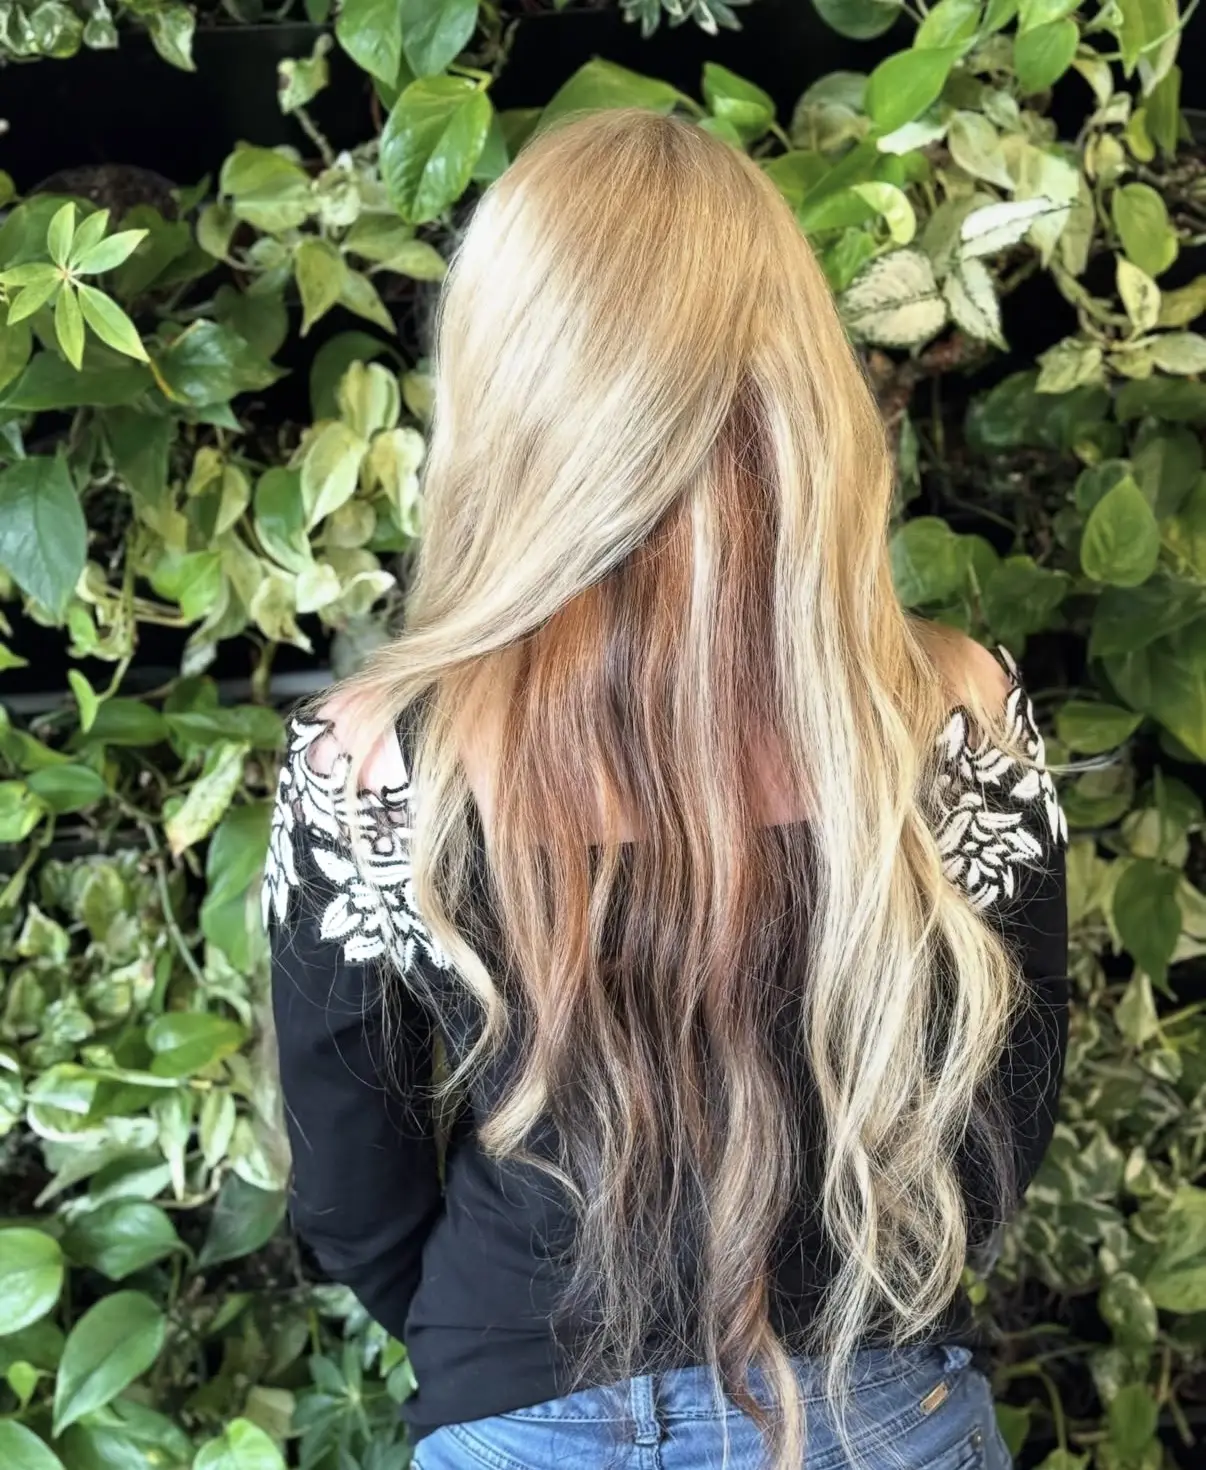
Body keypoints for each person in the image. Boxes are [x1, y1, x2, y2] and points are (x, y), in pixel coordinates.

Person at [265, 108, 1069, 1470]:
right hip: (874, 1403)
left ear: (508, 390)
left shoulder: (369, 762)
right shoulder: (956, 715)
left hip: (518, 1413)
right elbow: (998, 1122)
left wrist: (509, 1354)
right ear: (801, 383)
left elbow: (353, 1194)